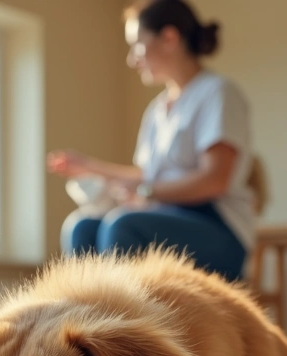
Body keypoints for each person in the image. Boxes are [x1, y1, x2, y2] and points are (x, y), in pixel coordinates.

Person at [49, 0, 263, 282]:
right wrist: (89, 167)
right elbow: (146, 177)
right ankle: (90, 323)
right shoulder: (157, 110)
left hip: (219, 230)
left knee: (123, 227)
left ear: (169, 38)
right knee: (82, 227)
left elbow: (214, 180)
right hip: (162, 217)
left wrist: (147, 192)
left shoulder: (217, 93)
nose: (131, 59)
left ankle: (124, 324)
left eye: (136, 45)